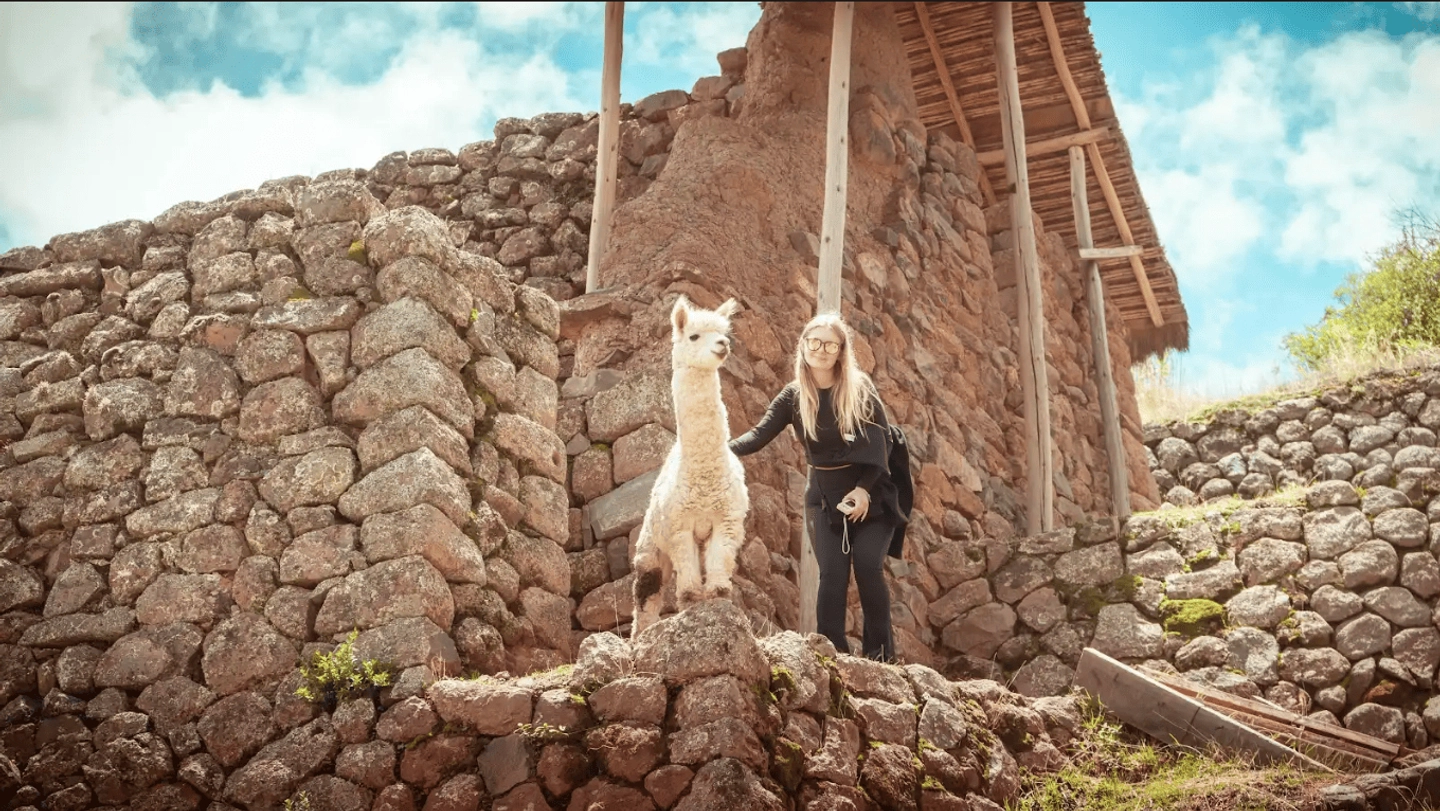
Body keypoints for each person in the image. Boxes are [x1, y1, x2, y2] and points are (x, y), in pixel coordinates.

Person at [729, 312, 905, 661]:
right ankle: (832, 658)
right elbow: (758, 435)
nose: (821, 350)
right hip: (824, 499)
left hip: (872, 494)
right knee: (833, 575)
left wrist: (863, 490)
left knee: (868, 565)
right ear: (803, 346)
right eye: (814, 342)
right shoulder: (793, 397)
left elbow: (881, 442)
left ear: (841, 351)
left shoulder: (859, 388)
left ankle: (881, 657)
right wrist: (711, 450)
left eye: (830, 344)